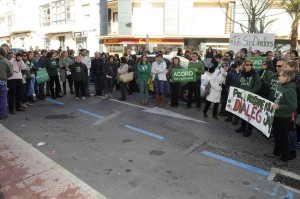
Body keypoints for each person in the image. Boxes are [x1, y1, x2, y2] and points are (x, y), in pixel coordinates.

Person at [266, 70, 297, 166]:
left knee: (283, 137)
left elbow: (293, 106)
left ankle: (284, 159)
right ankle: (276, 152)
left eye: (280, 76)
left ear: (286, 78)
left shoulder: (290, 90)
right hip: (276, 115)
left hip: (283, 118)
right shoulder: (281, 86)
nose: (278, 77)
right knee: (277, 135)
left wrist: (279, 107)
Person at [235, 60, 262, 137]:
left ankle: (249, 130)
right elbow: (238, 83)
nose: (249, 66)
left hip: (251, 96)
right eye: (247, 64)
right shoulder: (241, 73)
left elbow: (258, 84)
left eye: (250, 65)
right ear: (244, 65)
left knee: (249, 114)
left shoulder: (254, 74)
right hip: (242, 96)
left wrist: (251, 92)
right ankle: (243, 127)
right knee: (243, 112)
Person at [0, 47, 13, 119]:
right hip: (2, 81)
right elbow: (11, 73)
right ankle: (2, 114)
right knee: (3, 98)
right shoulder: (6, 61)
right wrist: (5, 76)